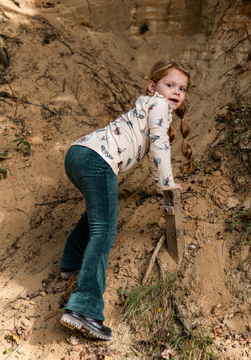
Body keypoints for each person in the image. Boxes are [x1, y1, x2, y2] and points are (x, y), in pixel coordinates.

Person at [60, 60, 195, 340]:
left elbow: (151, 155)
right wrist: (167, 184)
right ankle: (84, 308)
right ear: (153, 86)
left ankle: (71, 262)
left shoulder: (146, 106)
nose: (176, 92)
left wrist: (160, 184)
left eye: (182, 88)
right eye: (169, 85)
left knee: (100, 214)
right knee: (105, 230)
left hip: (78, 154)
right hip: (98, 160)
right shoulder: (158, 106)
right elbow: (159, 147)